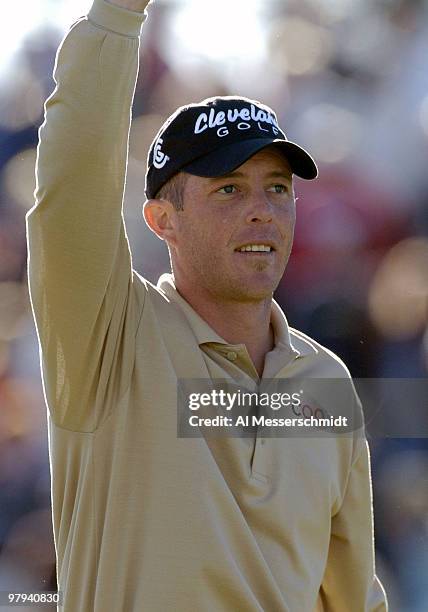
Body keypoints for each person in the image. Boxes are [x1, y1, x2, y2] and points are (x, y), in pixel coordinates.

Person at [25, 0, 389, 610]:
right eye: (229, 188)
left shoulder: (325, 383)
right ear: (162, 220)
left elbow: (354, 599)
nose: (263, 210)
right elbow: (72, 188)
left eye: (278, 188)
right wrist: (117, 14)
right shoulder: (110, 339)